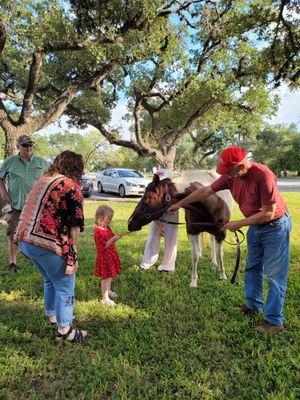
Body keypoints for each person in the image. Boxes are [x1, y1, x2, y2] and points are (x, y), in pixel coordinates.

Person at [168, 146, 292, 334]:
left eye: (229, 171)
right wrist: (179, 204)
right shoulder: (230, 177)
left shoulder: (263, 176)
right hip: (256, 226)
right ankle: (252, 306)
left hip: (275, 226)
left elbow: (268, 213)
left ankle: (274, 321)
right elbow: (205, 191)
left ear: (241, 166)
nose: (226, 175)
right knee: (252, 267)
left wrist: (239, 223)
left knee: (274, 274)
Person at [14, 151, 87, 343]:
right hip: (46, 243)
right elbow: (75, 225)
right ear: (77, 167)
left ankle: (53, 316)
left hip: (25, 240)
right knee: (65, 284)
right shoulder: (71, 186)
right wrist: (73, 248)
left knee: (49, 278)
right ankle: (65, 331)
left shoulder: (43, 180)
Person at [0, 135, 49, 272]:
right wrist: (4, 194)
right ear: (17, 147)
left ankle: (31, 253)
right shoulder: (10, 161)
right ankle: (13, 262)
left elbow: (51, 178)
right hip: (16, 204)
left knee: (35, 232)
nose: (28, 148)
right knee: (13, 233)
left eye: (30, 145)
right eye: (25, 145)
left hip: (36, 206)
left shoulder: (42, 162)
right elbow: (0, 178)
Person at [140, 168, 179, 272]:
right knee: (153, 237)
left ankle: (168, 266)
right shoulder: (151, 188)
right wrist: (159, 225)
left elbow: (179, 202)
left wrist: (174, 207)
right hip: (155, 215)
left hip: (171, 214)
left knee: (171, 239)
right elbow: (149, 207)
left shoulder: (173, 189)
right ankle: (146, 263)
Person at [94, 205, 123, 307]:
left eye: (111, 218)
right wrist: (114, 239)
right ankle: (105, 298)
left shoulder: (107, 228)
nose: (111, 220)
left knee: (109, 276)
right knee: (106, 278)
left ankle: (108, 290)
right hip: (104, 258)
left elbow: (110, 237)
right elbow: (103, 246)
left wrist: (116, 236)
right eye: (109, 218)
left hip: (110, 256)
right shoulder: (98, 231)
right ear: (101, 218)